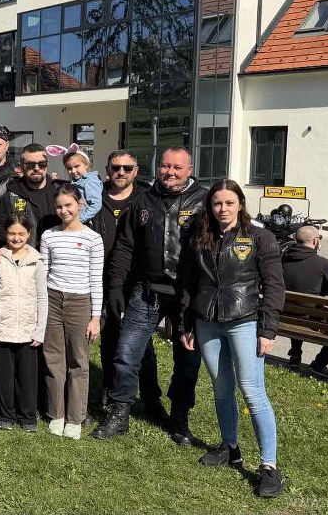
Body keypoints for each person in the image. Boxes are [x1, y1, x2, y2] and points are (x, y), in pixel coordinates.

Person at [179, 179, 285, 498]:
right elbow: (188, 282)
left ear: (240, 204)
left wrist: (267, 330)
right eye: (217, 203)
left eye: (229, 203)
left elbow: (274, 286)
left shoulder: (260, 237)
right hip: (207, 322)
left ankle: (269, 466)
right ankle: (230, 447)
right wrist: (187, 323)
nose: (222, 209)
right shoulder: (200, 236)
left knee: (252, 391)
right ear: (209, 206)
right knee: (221, 388)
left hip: (245, 322)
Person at [96, 146, 207, 445]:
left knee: (187, 359)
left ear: (189, 169)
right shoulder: (143, 200)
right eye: (165, 166)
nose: (170, 172)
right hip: (146, 292)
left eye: (177, 167)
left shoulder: (204, 201)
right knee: (126, 352)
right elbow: (125, 246)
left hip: (187, 296)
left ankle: (180, 418)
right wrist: (116, 285)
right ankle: (120, 411)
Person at [92, 150, 166, 427]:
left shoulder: (147, 199)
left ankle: (150, 398)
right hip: (101, 279)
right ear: (107, 169)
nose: (120, 172)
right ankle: (110, 391)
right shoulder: (94, 196)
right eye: (115, 167)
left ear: (135, 171)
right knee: (109, 338)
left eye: (127, 168)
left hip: (136, 280)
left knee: (141, 344)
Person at [41, 184, 104, 439]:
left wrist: (95, 317)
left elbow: (96, 279)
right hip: (52, 299)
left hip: (80, 302)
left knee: (78, 360)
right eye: (59, 206)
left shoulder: (93, 238)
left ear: (80, 204)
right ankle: (56, 413)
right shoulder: (49, 236)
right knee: (53, 358)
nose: (63, 210)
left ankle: (75, 417)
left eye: (68, 205)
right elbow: (43, 272)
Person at [0, 214, 46, 431]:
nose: (16, 238)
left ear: (29, 234)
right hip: (2, 328)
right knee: (4, 376)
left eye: (21, 233)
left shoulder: (37, 261)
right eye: (11, 233)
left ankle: (27, 417)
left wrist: (40, 330)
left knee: (27, 377)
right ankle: (6, 416)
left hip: (28, 330)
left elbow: (42, 297)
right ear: (5, 234)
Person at [0, 144, 61, 259]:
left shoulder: (60, 192)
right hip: (25, 261)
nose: (36, 168)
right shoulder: (11, 195)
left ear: (47, 165)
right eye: (30, 165)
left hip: (57, 261)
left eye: (41, 164)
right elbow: (0, 227)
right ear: (21, 166)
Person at [283, 225, 328, 375]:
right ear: (315, 241)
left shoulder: (283, 258)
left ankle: (295, 355)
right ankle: (319, 364)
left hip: (283, 313)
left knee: (298, 307)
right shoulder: (323, 263)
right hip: (308, 317)